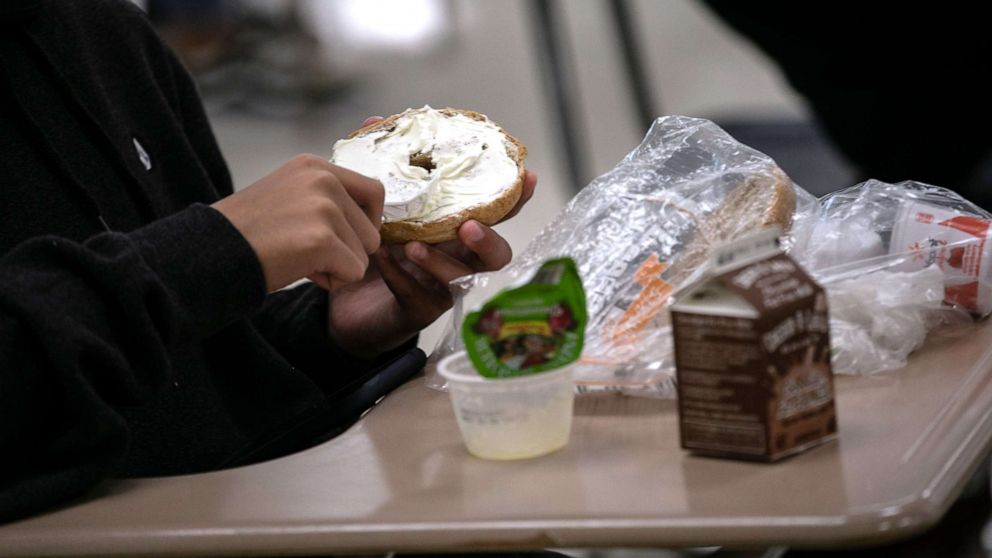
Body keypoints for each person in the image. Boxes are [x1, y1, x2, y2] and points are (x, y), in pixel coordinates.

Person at [0, 0, 535, 523]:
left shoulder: (105, 37)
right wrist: (212, 253)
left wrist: (325, 331)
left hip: (253, 514)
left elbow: (190, 378)